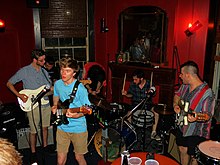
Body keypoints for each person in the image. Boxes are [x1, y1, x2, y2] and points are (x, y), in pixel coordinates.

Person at [6, 49, 52, 164]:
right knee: (34, 130)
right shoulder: (24, 71)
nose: (44, 62)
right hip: (32, 104)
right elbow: (9, 83)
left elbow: (49, 88)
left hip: (45, 103)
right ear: (34, 60)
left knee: (45, 127)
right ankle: (33, 152)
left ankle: (45, 148)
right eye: (41, 60)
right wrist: (19, 95)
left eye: (44, 59)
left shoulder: (44, 72)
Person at [173, 61, 215, 165]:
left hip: (196, 131)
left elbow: (207, 116)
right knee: (182, 149)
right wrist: (175, 105)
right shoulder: (185, 86)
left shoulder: (207, 93)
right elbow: (177, 96)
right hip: (182, 126)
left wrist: (196, 117)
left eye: (181, 74)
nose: (180, 76)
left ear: (188, 75)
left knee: (194, 157)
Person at [52, 57, 91, 165]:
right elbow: (56, 95)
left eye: (67, 71)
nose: (63, 73)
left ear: (74, 73)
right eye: (62, 70)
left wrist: (77, 115)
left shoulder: (80, 89)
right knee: (60, 160)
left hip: (78, 127)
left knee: (79, 157)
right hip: (62, 126)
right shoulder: (58, 84)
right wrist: (55, 105)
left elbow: (88, 109)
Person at [121, 69, 160, 140]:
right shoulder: (133, 84)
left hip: (148, 103)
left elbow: (154, 94)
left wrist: (150, 92)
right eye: (133, 79)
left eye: (136, 79)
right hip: (136, 103)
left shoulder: (149, 84)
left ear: (141, 79)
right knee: (128, 115)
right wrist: (126, 94)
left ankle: (153, 133)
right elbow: (131, 95)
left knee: (156, 113)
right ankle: (133, 132)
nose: (134, 81)